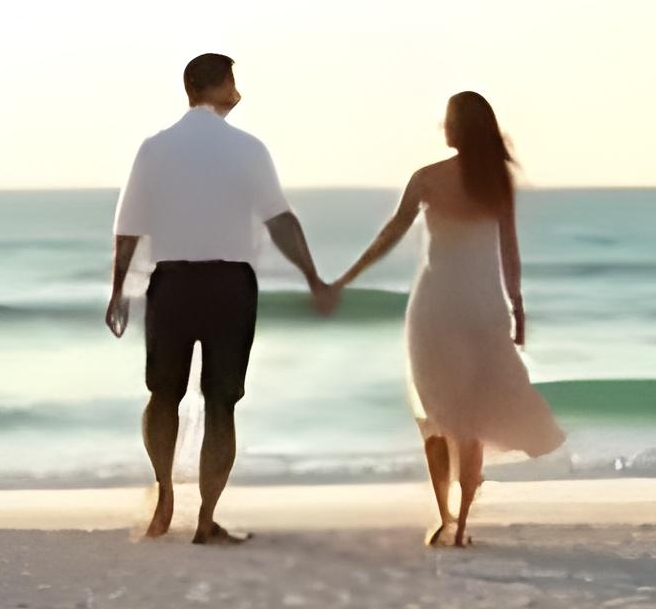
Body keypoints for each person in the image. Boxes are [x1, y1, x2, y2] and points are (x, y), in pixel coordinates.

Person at [105, 51, 335, 545]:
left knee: (163, 395)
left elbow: (127, 228)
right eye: (234, 81)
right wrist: (313, 277)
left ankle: (165, 491)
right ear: (216, 86)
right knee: (221, 405)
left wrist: (118, 290)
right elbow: (281, 222)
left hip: (171, 285)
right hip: (229, 286)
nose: (240, 91)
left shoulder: (154, 148)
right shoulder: (248, 148)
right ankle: (206, 519)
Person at [339, 90, 559, 547]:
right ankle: (461, 525)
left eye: (447, 120)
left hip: (436, 307)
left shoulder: (427, 179)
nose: (443, 127)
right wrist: (517, 307)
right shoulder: (497, 182)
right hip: (482, 306)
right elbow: (510, 252)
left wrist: (347, 275)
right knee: (471, 420)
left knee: (435, 414)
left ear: (457, 128)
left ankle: (443, 517)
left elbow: (390, 234)